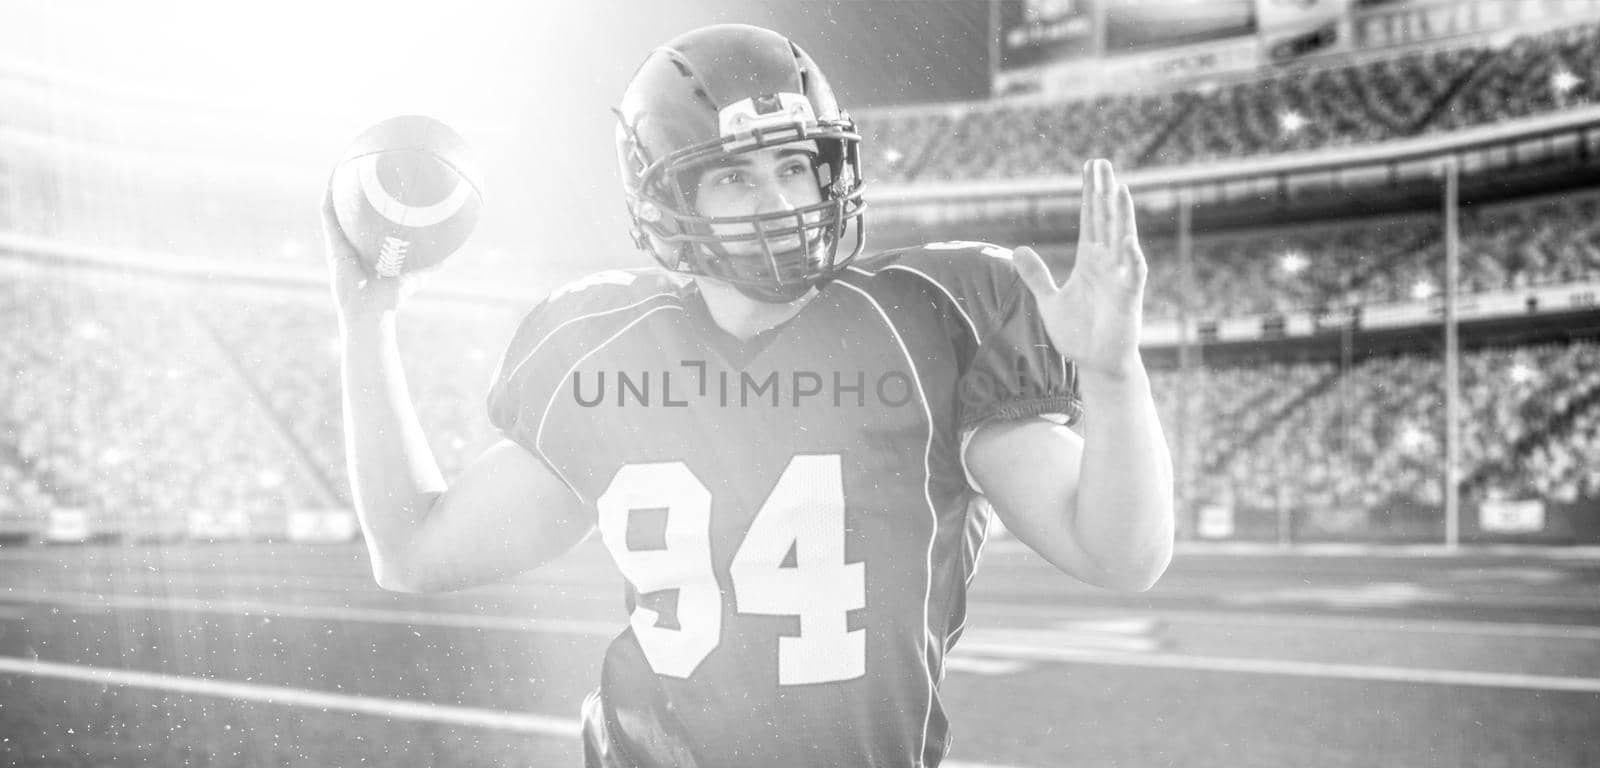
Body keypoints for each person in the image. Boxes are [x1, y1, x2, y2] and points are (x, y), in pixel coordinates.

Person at [325, 23, 1173, 768]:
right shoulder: (606, 347)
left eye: (795, 166)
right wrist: (366, 315)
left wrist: (1113, 377)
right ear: (669, 199)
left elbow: (1118, 554)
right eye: (733, 177)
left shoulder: (937, 317)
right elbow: (414, 552)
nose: (780, 202)